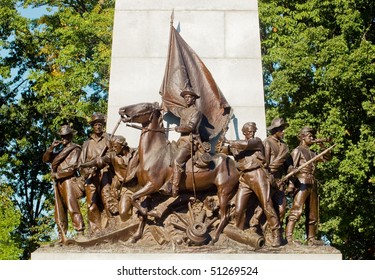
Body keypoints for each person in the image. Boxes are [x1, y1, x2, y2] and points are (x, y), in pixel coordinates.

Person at [223, 122, 282, 247]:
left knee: (267, 204)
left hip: (258, 175)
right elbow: (221, 150)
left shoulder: (256, 142)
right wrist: (219, 142)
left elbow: (245, 144)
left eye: (253, 131)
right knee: (238, 208)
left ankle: (277, 233)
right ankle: (238, 234)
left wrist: (229, 141)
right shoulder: (236, 147)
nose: (252, 133)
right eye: (249, 131)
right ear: (244, 132)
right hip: (244, 178)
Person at [285, 126, 331, 246]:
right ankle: (289, 238)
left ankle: (311, 238)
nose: (312, 138)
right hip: (301, 181)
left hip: (312, 183)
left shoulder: (313, 153)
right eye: (310, 136)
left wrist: (322, 145)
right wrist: (291, 184)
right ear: (302, 137)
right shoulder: (297, 150)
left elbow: (327, 157)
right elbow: (290, 168)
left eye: (312, 136)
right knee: (297, 210)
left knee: (313, 213)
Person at [79, 135, 138, 222]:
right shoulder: (112, 156)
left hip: (139, 185)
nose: (113, 149)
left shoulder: (136, 153)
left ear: (122, 146)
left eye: (115, 146)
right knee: (123, 213)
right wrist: (83, 165)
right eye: (112, 146)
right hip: (126, 188)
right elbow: (97, 161)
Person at [43, 125, 85, 242]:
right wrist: (51, 148)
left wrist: (57, 175)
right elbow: (46, 159)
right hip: (59, 183)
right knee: (59, 209)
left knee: (72, 207)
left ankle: (80, 231)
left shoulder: (75, 149)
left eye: (66, 136)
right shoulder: (59, 151)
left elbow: (72, 167)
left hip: (68, 180)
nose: (64, 139)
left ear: (71, 136)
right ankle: (62, 235)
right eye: (62, 136)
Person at [79, 112, 112, 234]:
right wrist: (87, 171)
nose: (98, 127)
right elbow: (81, 164)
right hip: (91, 176)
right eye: (95, 124)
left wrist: (101, 162)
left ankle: (110, 228)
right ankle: (95, 232)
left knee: (107, 201)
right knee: (91, 205)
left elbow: (112, 156)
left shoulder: (108, 139)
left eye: (100, 124)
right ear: (92, 126)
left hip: (105, 174)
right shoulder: (87, 144)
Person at [168, 90, 203, 197]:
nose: (187, 99)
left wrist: (179, 128)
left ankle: (174, 187)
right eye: (185, 97)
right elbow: (174, 109)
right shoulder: (184, 111)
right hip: (181, 140)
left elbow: (191, 127)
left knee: (177, 160)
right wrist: (164, 104)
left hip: (190, 141)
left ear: (194, 99)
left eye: (189, 97)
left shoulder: (196, 112)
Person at [263, 118, 291, 236]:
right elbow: (264, 164)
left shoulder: (284, 146)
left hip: (280, 182)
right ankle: (268, 234)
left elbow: (287, 165)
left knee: (281, 209)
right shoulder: (267, 142)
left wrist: (291, 170)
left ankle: (274, 233)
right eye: (281, 129)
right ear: (275, 130)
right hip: (269, 180)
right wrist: (269, 179)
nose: (284, 131)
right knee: (267, 209)